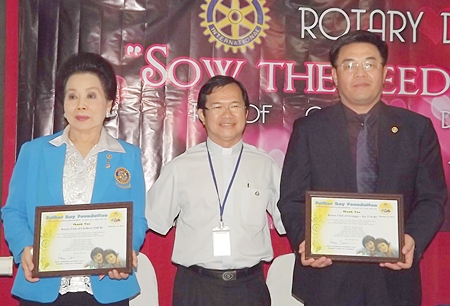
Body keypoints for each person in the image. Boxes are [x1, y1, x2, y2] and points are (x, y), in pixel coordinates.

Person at [278, 30, 447, 306]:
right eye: (349, 65)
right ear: (334, 76)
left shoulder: (416, 129)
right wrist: (304, 239)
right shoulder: (309, 130)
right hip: (327, 277)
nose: (360, 72)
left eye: (369, 64)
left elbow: (433, 198)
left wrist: (412, 239)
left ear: (384, 72)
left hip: (393, 279)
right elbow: (291, 198)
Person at [1, 52, 148, 306]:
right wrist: (24, 248)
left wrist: (124, 254)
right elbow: (13, 211)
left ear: (110, 103)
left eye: (91, 95)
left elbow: (136, 219)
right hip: (42, 289)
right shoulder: (34, 152)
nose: (81, 105)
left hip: (106, 288)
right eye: (72, 96)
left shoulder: (128, 157)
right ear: (64, 103)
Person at [146, 75, 285, 306]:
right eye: (217, 107)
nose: (227, 115)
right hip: (196, 287)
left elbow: (289, 221)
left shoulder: (266, 165)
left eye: (234, 106)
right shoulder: (180, 167)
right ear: (202, 115)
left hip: (249, 288)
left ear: (247, 112)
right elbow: (152, 221)